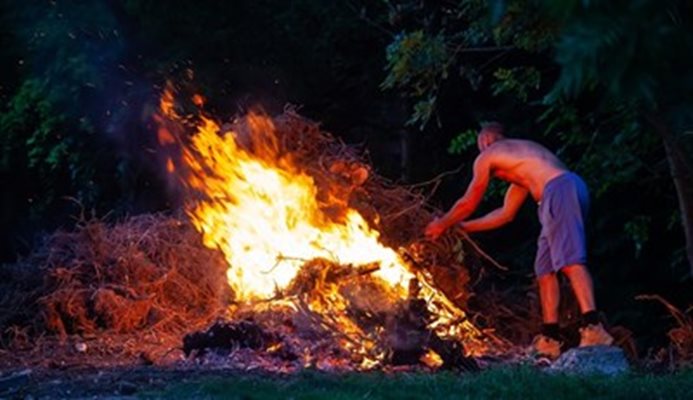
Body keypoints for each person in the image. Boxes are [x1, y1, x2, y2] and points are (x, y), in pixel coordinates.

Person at [424, 122, 613, 358]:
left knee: (570, 260)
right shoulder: (524, 169)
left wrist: (442, 223)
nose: (482, 144)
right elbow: (504, 214)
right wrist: (461, 227)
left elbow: (469, 200)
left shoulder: (490, 155)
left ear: (490, 138)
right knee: (544, 271)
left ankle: (593, 327)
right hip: (553, 198)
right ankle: (550, 339)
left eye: (484, 138)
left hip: (560, 190)